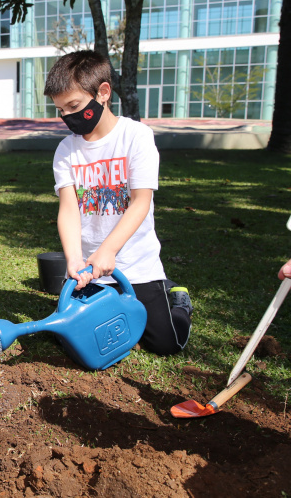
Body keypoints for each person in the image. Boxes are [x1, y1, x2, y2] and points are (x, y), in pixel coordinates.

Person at [46, 50, 192, 356]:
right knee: (69, 343)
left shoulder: (136, 137)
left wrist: (108, 252)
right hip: (88, 272)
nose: (66, 117)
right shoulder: (65, 150)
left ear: (103, 93)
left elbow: (140, 203)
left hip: (137, 268)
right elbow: (69, 209)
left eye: (73, 106)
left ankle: (176, 298)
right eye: (59, 110)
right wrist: (74, 260)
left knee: (166, 344)